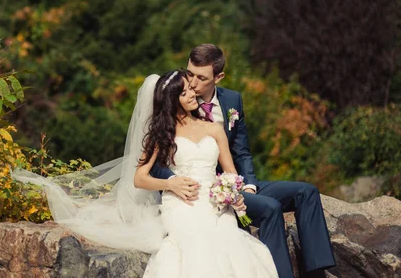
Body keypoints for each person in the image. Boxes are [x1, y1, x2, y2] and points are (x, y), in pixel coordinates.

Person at [150, 44, 336, 278]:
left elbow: (242, 152)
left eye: (201, 77)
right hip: (202, 191)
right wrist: (175, 182)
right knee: (270, 209)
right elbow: (157, 162)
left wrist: (248, 184)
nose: (193, 83)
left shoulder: (232, 101)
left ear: (218, 77)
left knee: (306, 192)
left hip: (233, 182)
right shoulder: (174, 99)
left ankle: (317, 273)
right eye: (189, 74)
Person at [135, 70, 278, 277]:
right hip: (181, 202)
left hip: (215, 202)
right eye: (184, 93)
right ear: (172, 101)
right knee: (196, 238)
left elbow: (231, 173)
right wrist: (170, 185)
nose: (192, 94)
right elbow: (139, 178)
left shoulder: (214, 129)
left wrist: (234, 195)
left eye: (190, 88)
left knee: (229, 241)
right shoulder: (162, 134)